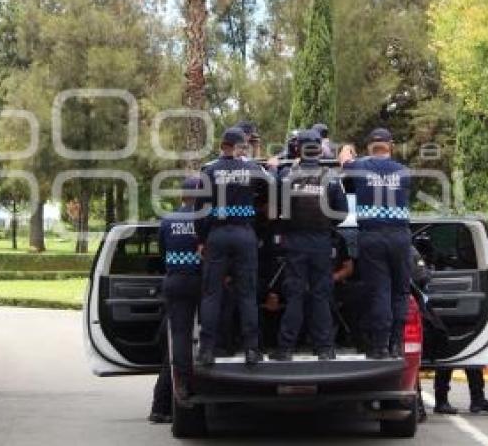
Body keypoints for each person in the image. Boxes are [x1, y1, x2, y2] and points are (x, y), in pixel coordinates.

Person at [271, 130, 348, 361]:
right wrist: (326, 226)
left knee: (295, 296)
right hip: (321, 243)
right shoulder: (332, 177)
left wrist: (273, 168)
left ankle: (285, 350)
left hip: (294, 243)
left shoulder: (286, 175)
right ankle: (325, 349)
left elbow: (274, 203)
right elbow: (342, 213)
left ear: (298, 149)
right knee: (320, 296)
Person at [197, 127, 269, 366]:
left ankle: (207, 350)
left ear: (222, 145)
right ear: (241, 147)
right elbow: (272, 187)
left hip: (217, 235)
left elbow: (201, 211)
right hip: (244, 234)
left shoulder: (209, 171)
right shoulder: (252, 170)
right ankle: (251, 349)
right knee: (247, 293)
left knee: (211, 294)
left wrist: (202, 239)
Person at [338, 128, 411, 359]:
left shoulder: (360, 166)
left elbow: (344, 161)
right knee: (400, 291)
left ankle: (379, 346)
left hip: (372, 236)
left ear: (370, 147)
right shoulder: (404, 171)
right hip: (400, 236)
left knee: (380, 291)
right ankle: (397, 343)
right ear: (391, 145)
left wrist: (347, 150)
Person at [148, 177, 203, 423]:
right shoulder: (205, 220)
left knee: (179, 335)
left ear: (182, 195)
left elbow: (162, 253)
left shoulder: (168, 220)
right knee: (210, 329)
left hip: (174, 281)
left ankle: (180, 383)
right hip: (201, 282)